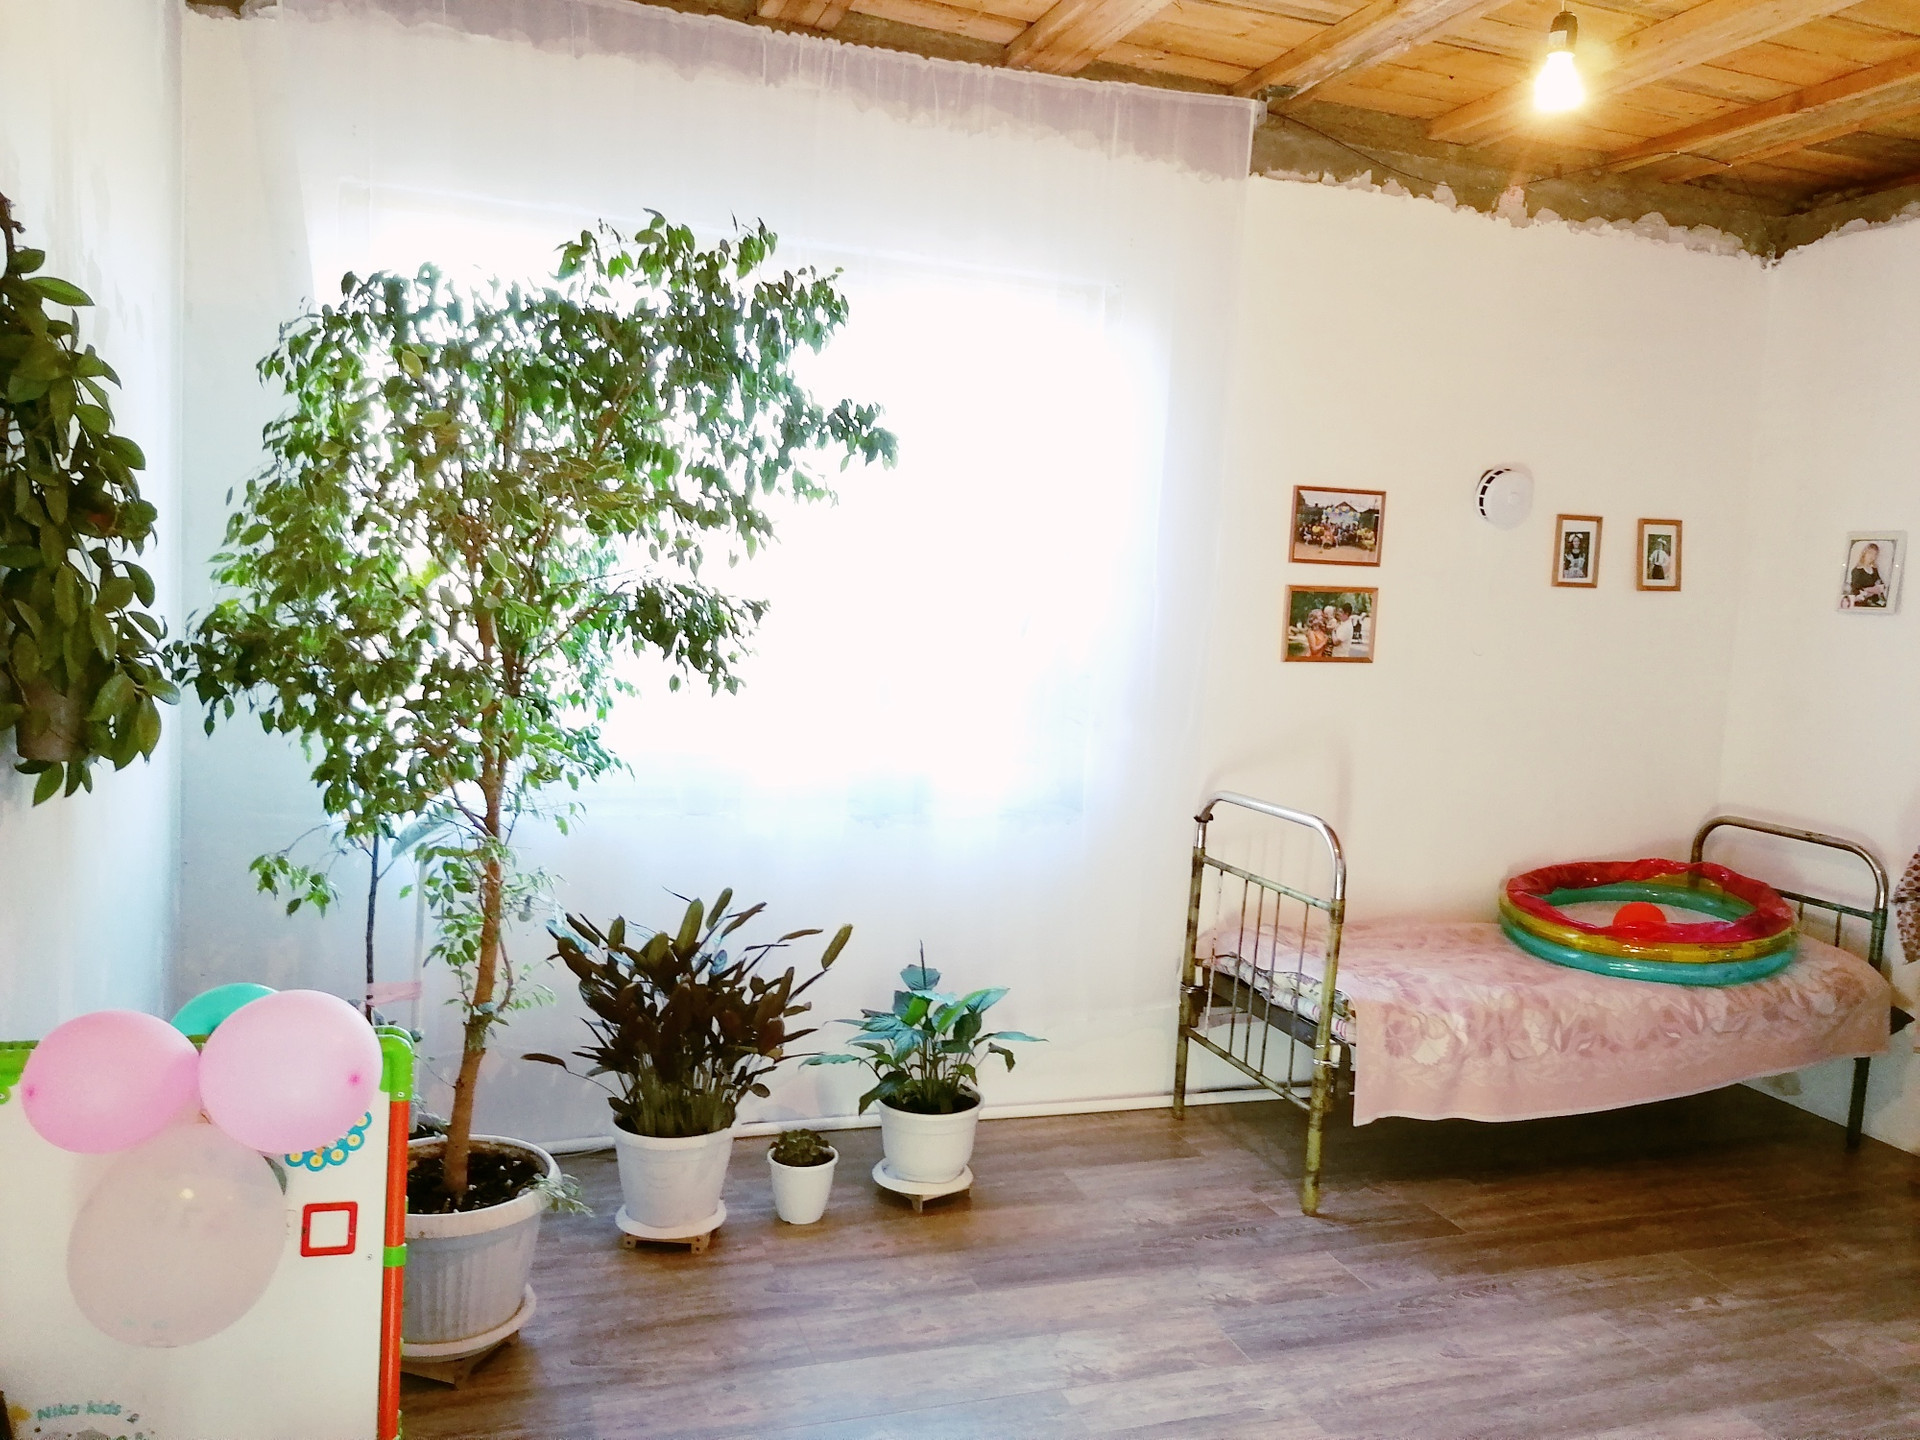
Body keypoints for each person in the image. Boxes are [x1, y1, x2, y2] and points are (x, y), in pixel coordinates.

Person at [1847, 542, 1888, 607]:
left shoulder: (1874, 569)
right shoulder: (1857, 571)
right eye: (1870, 553)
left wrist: (1876, 589)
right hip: (1863, 603)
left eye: (1875, 554)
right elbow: (1855, 591)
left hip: (1876, 601)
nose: (1872, 556)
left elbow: (1881, 585)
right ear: (1864, 553)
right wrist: (1869, 590)